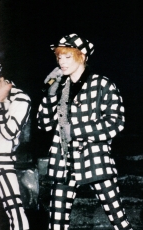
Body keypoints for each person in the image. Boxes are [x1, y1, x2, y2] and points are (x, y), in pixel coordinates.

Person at [37, 33, 133, 230]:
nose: (61, 62)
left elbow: (116, 123)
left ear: (83, 56)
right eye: (59, 57)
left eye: (67, 56)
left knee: (119, 221)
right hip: (64, 162)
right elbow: (44, 124)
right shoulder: (60, 86)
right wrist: (49, 95)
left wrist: (76, 130)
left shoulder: (102, 85)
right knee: (56, 224)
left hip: (95, 160)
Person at [0, 60, 30, 230]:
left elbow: (9, 133)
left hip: (2, 161)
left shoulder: (20, 98)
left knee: (15, 210)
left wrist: (0, 104)